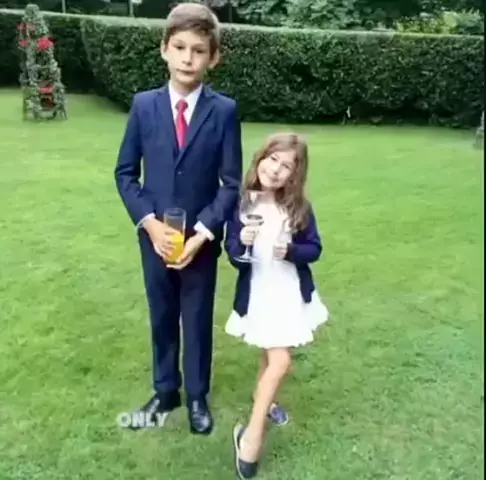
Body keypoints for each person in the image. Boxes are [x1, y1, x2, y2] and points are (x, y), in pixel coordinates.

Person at [114, 2, 242, 435]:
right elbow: (125, 173)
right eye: (181, 47)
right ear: (164, 49)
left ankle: (197, 396)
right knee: (162, 315)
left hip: (199, 243)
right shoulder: (143, 106)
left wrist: (203, 233)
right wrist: (149, 223)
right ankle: (165, 390)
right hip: (155, 240)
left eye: (199, 50)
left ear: (213, 57)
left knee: (197, 318)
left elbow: (230, 183)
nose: (188, 58)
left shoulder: (223, 111)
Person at [224, 133, 329, 478]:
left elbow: (315, 248)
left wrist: (292, 251)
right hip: (259, 293)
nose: (276, 169)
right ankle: (250, 437)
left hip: (288, 292)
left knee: (274, 358)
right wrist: (241, 243)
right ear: (260, 159)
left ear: (294, 176)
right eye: (273, 160)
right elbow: (233, 254)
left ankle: (264, 408)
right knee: (279, 360)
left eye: (286, 166)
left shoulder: (298, 208)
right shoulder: (242, 204)